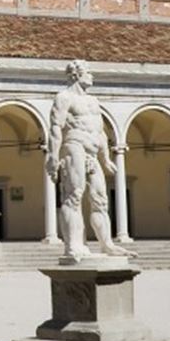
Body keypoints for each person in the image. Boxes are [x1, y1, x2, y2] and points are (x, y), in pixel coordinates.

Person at [46, 60, 128, 260]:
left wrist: (106, 158)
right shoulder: (64, 97)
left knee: (100, 199)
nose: (92, 76)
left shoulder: (93, 101)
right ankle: (72, 245)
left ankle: (106, 244)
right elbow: (56, 127)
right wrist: (53, 156)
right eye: (88, 72)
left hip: (92, 151)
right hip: (73, 146)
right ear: (76, 74)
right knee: (73, 195)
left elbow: (100, 131)